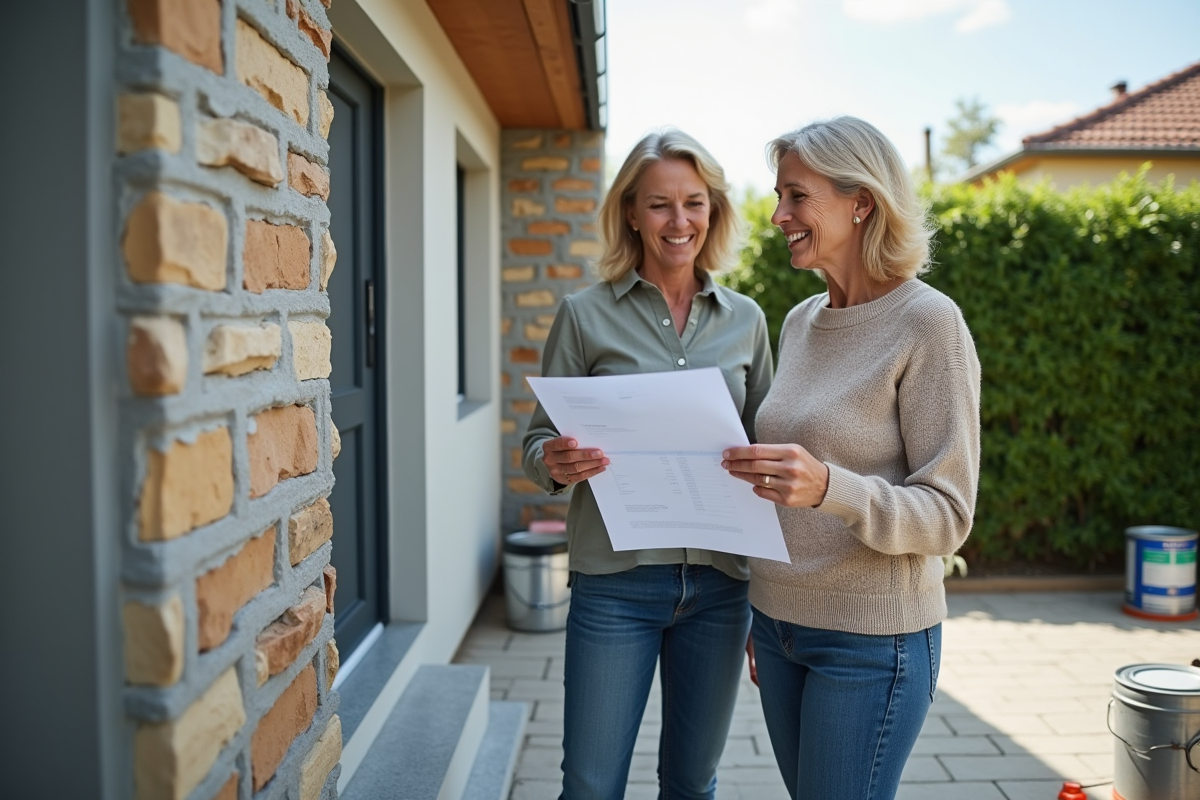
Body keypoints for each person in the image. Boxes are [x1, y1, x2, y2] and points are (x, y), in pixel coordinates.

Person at [720, 116, 981, 800]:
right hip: (779, 625)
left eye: (796, 196)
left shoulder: (928, 323)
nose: (778, 215)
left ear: (861, 201)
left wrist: (831, 487)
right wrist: (760, 605)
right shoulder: (802, 320)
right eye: (779, 197)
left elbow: (948, 516)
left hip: (871, 641)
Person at [522, 128, 773, 800]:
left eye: (694, 202)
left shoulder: (746, 320)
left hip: (722, 589)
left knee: (693, 783)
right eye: (660, 204)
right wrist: (555, 459)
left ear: (713, 211)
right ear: (631, 212)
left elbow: (768, 452)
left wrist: (775, 601)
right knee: (591, 784)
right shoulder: (583, 315)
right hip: (616, 587)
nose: (679, 221)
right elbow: (536, 442)